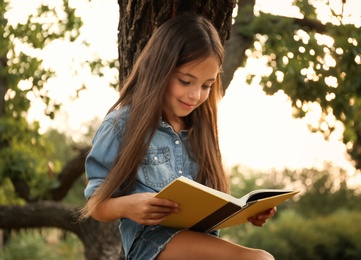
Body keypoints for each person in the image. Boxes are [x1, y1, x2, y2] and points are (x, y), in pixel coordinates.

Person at [80, 13, 276, 260]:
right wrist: (128, 206)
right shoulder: (121, 125)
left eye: (206, 86)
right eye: (186, 81)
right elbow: (96, 203)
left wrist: (247, 213)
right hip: (151, 245)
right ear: (160, 70)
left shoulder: (201, 130)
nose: (195, 95)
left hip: (200, 239)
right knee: (258, 259)